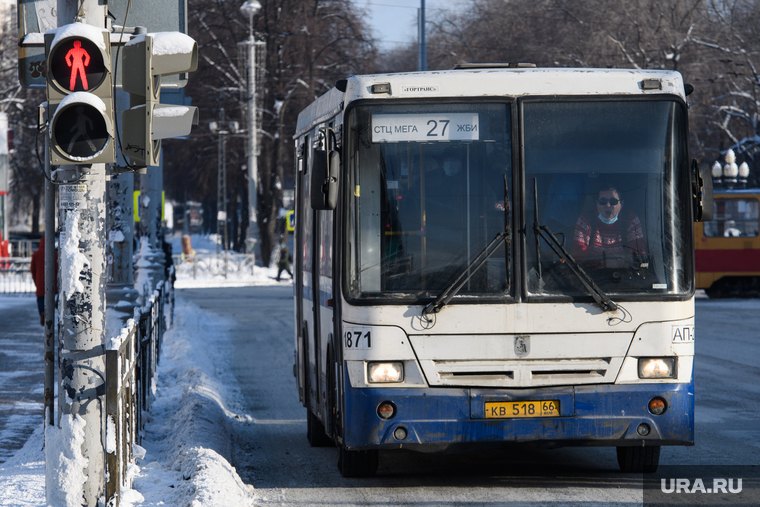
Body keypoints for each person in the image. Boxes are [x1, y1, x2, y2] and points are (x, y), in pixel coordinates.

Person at [571, 182, 645, 267]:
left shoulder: (631, 220)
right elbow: (578, 259)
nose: (608, 205)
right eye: (603, 201)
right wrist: (606, 263)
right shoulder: (585, 220)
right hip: (591, 276)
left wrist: (612, 263)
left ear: (622, 204)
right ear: (596, 203)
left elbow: (638, 258)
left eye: (613, 201)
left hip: (626, 276)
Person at [30, 235, 58, 326]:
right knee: (50, 298)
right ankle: (49, 314)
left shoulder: (36, 254)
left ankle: (42, 312)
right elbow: (58, 268)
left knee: (40, 299)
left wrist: (35, 280)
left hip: (40, 281)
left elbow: (32, 269)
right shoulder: (55, 253)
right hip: (51, 281)